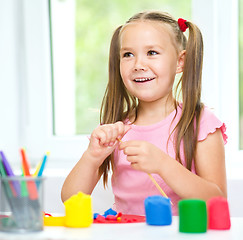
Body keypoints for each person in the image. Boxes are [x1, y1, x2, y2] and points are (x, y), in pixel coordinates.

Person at [61, 11, 227, 215]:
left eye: (152, 52)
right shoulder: (115, 128)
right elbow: (70, 199)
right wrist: (92, 157)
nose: (138, 65)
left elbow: (217, 202)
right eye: (128, 55)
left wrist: (163, 165)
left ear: (180, 61)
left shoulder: (201, 123)